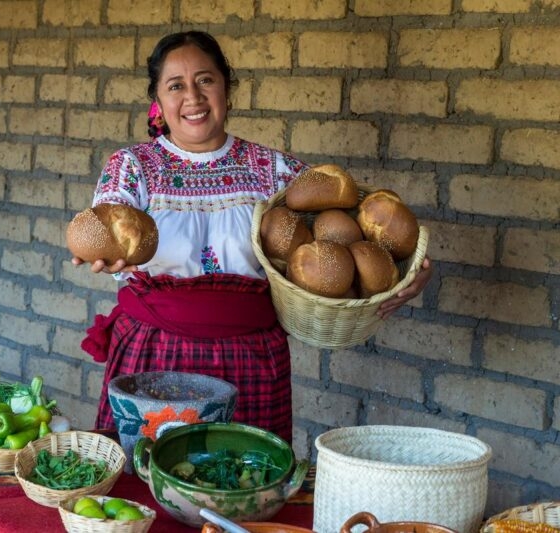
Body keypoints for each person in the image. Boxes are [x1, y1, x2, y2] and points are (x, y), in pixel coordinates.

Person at [72, 30, 432, 442]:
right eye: (176, 86)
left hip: (251, 358)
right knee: (142, 492)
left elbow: (353, 237)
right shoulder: (132, 167)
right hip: (154, 354)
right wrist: (104, 256)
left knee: (246, 488)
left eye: (205, 80)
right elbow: (103, 230)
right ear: (158, 98)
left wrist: (411, 271)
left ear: (226, 87)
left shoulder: (274, 170)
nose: (192, 96)